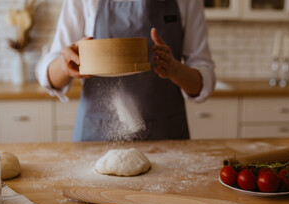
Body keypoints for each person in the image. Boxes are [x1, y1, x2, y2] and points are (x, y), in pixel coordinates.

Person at [36, 0, 215, 141]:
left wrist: (175, 69)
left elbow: (203, 82)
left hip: (166, 136)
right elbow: (48, 74)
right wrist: (64, 65)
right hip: (96, 135)